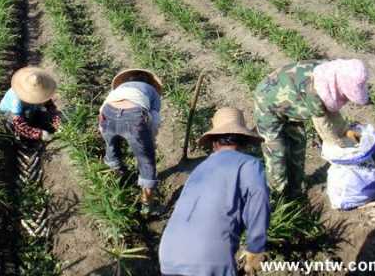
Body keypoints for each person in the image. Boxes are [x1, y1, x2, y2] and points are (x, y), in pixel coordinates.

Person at [159, 107, 270, 276]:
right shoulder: (250, 165)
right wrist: (255, 249)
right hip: (209, 258)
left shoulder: (199, 169)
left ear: (213, 142)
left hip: (169, 254)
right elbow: (258, 202)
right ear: (244, 141)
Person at [253, 59, 370, 197]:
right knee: (277, 153)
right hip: (267, 104)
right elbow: (325, 128)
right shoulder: (315, 91)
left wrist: (346, 130)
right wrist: (342, 145)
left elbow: (332, 113)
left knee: (298, 143)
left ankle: (295, 187)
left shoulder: (330, 74)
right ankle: (277, 196)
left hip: (292, 104)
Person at [99, 69, 163, 216]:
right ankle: (147, 206)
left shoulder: (120, 89)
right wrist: (149, 142)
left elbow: (102, 110)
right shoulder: (151, 91)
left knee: (112, 151)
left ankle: (118, 183)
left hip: (108, 112)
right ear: (149, 82)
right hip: (133, 117)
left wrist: (107, 137)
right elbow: (154, 121)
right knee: (146, 161)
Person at [0, 67, 61, 143]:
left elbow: (51, 107)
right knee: (17, 128)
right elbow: (19, 125)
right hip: (9, 116)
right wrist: (40, 134)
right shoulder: (16, 101)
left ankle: (34, 124)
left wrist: (57, 122)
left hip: (29, 112)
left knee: (43, 117)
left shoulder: (42, 93)